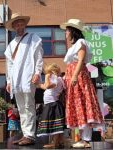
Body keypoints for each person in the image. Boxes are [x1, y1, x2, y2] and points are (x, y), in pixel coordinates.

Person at [60, 19, 103, 148]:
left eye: (67, 30)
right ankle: (82, 139)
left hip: (78, 77)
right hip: (73, 77)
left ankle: (86, 139)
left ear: (73, 31)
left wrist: (74, 76)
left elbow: (80, 60)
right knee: (77, 105)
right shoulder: (73, 46)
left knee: (83, 104)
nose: (66, 33)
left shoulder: (81, 42)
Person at [4, 12, 43, 145]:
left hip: (28, 77)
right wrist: (9, 81)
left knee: (29, 105)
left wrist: (37, 72)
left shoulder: (34, 38)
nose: (19, 24)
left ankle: (30, 135)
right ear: (13, 26)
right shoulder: (11, 45)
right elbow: (9, 64)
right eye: (16, 23)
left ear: (24, 24)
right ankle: (25, 134)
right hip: (15, 79)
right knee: (20, 108)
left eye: (21, 22)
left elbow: (38, 57)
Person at [36, 63, 65, 148]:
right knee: (55, 124)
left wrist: (47, 77)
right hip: (51, 103)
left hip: (53, 104)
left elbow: (47, 86)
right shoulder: (56, 79)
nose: (47, 74)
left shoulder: (56, 79)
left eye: (48, 72)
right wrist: (38, 84)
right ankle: (59, 142)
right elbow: (46, 86)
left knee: (55, 125)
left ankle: (55, 143)